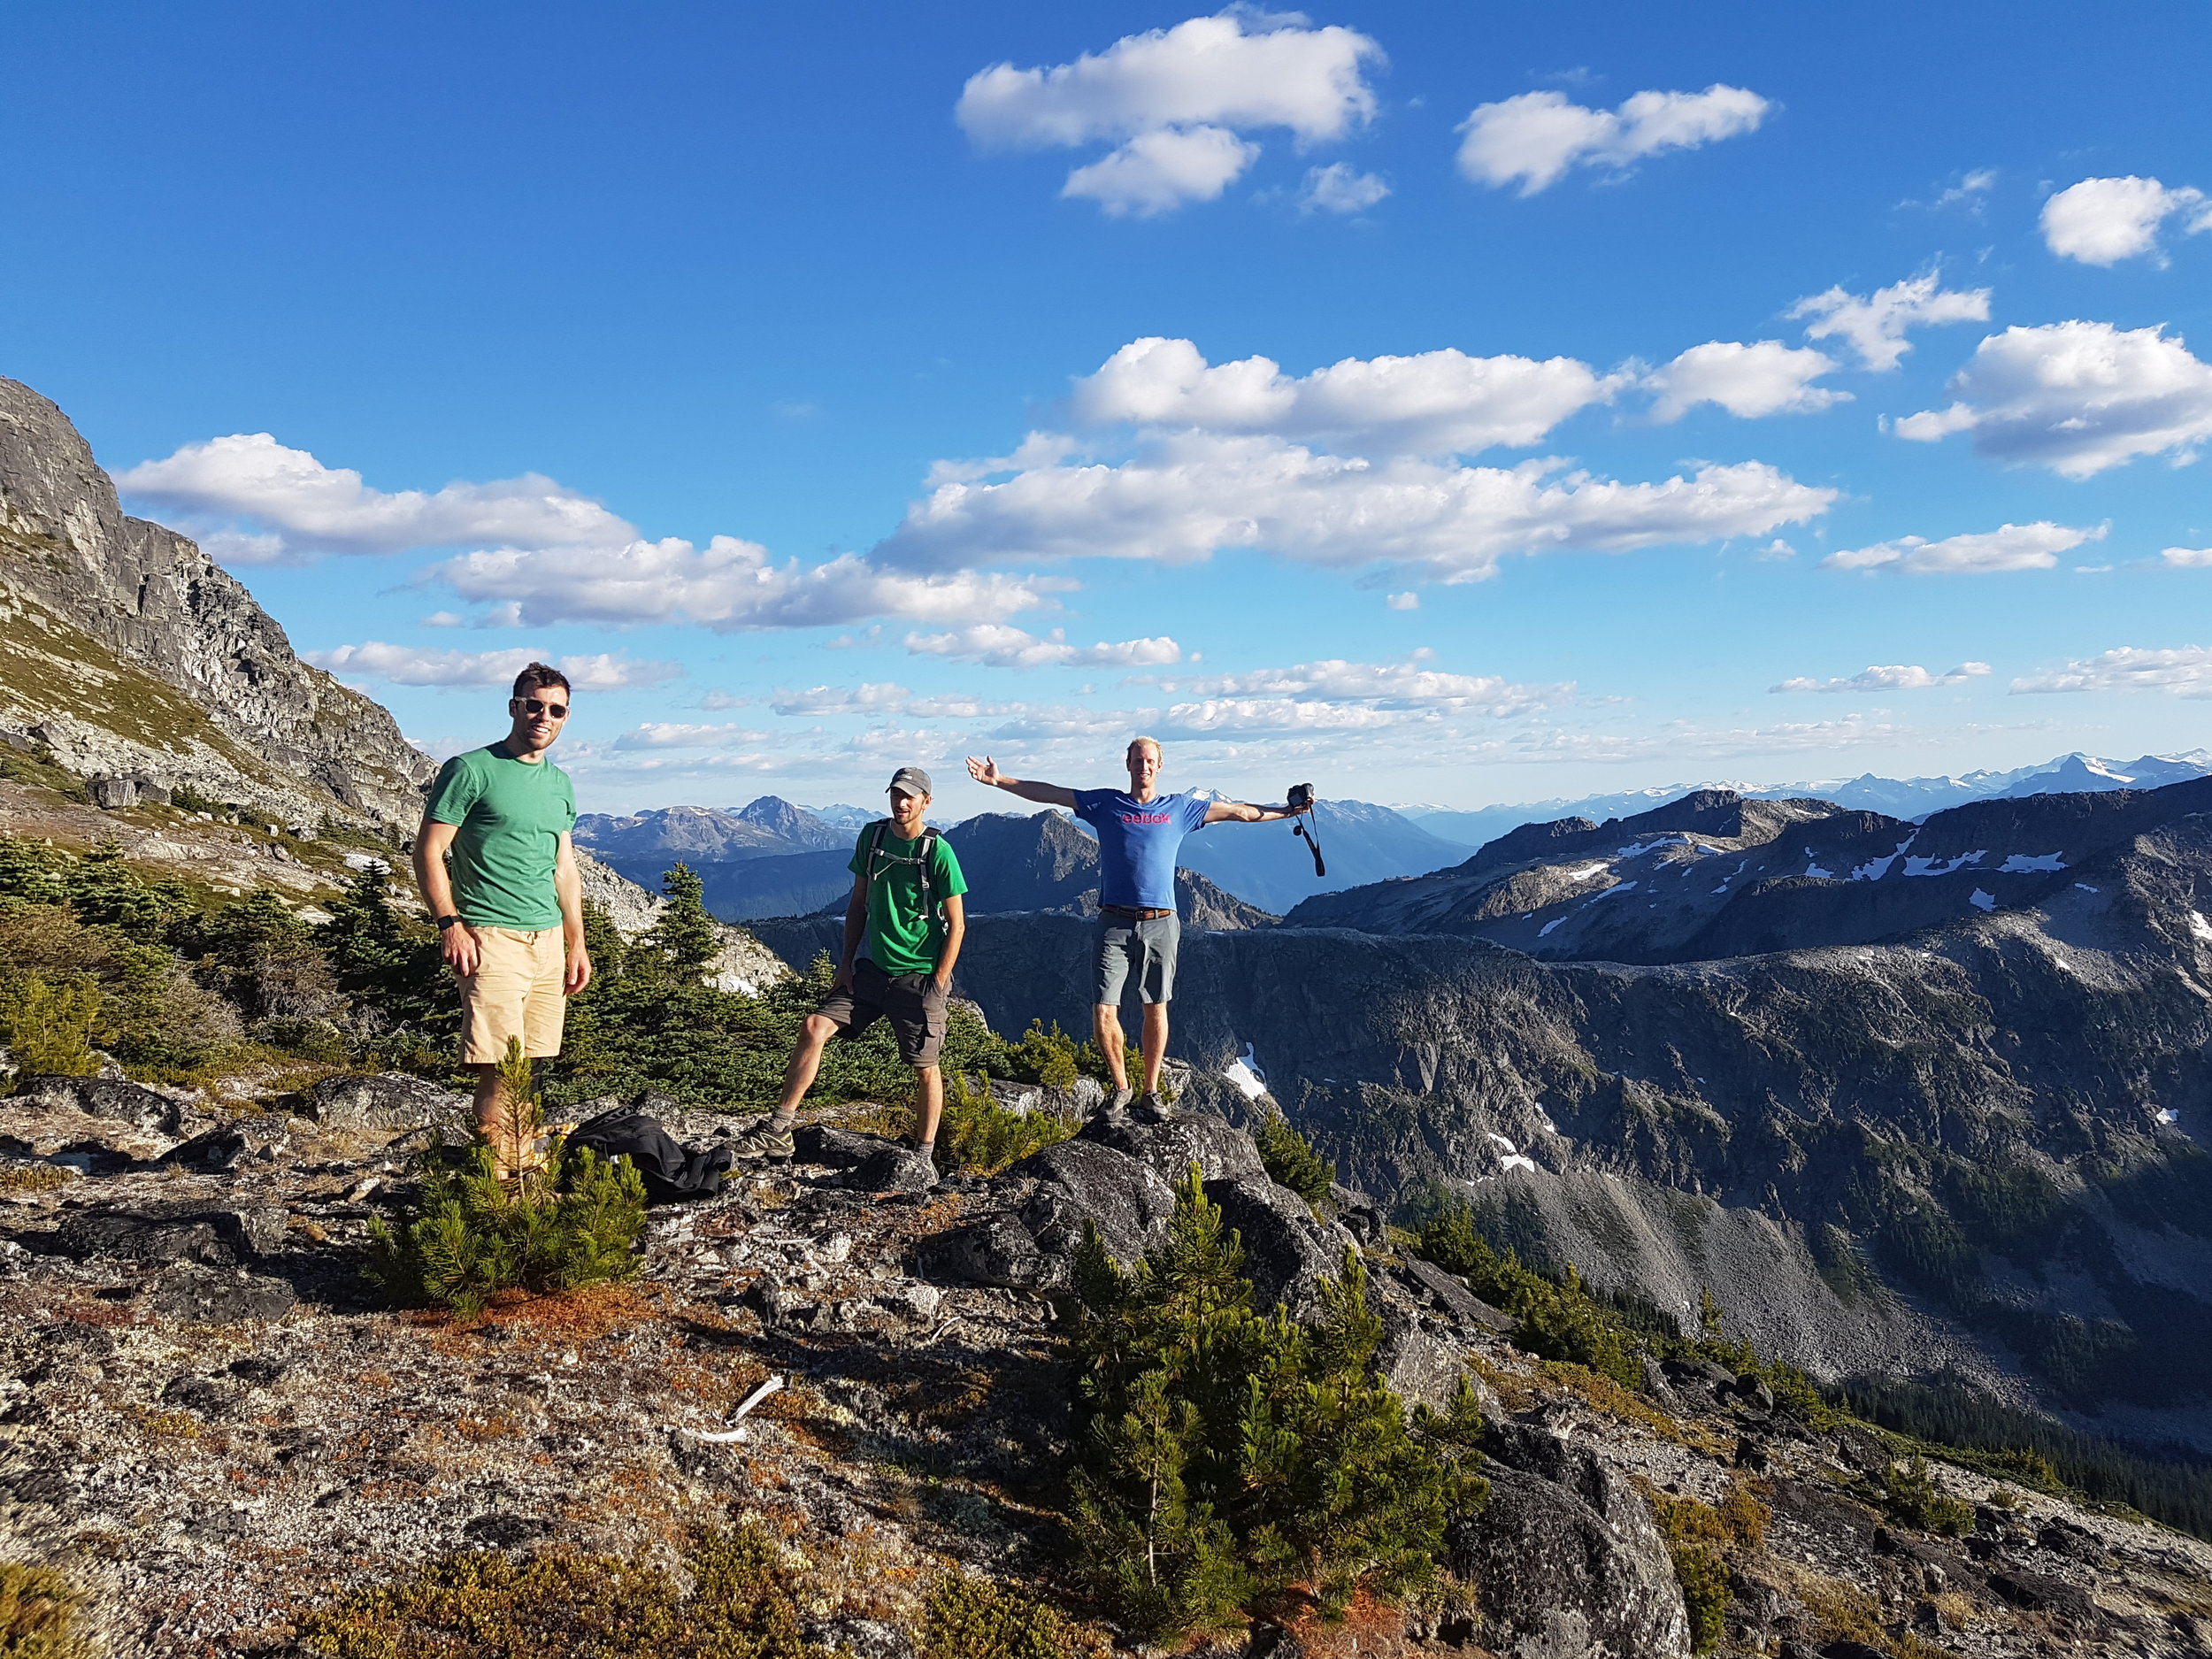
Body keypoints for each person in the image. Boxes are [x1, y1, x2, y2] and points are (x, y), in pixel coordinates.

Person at [964, 737, 1306, 1110]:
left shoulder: (1180, 809)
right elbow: (1052, 794)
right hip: (1113, 921)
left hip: (1161, 923)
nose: (1143, 766)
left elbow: (1239, 812)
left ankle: (1150, 1090)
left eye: (1150, 761)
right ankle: (1122, 1088)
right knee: (1103, 1009)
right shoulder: (1107, 803)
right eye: (1137, 760)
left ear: (1160, 766)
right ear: (1127, 764)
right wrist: (1001, 781)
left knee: (1156, 1006)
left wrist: (1287, 812)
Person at [734, 766, 967, 1171]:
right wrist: (845, 964)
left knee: (926, 1069)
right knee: (814, 1027)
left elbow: (958, 923)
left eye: (910, 796)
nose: (902, 802)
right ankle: (780, 1126)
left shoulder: (938, 853)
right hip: (872, 971)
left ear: (926, 802)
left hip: (918, 979)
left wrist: (939, 982)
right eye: (896, 794)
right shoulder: (872, 839)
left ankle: (922, 1157)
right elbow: (857, 904)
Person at [412, 664, 592, 1161]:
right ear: (514, 706)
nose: (543, 716)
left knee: (531, 1064)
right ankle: (497, 1188)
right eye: (534, 704)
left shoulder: (559, 783)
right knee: (499, 1065)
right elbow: (428, 852)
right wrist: (450, 925)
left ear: (566, 716)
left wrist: (576, 943)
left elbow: (564, 868)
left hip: (548, 940)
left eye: (555, 709)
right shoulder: (471, 770)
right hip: (490, 934)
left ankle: (523, 1172)